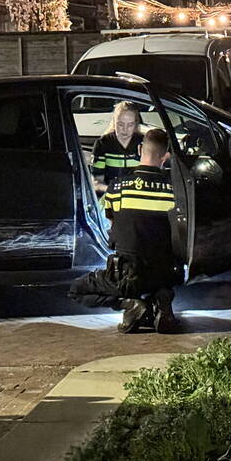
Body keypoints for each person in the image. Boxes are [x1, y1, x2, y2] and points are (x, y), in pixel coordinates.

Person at [69, 127, 181, 333]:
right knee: (161, 278)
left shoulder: (118, 187)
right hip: (163, 273)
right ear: (165, 156)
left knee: (76, 290)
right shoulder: (174, 191)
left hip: (127, 275)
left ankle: (130, 304)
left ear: (140, 149)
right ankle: (162, 298)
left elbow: (113, 222)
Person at [90, 101, 143, 194]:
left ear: (136, 124)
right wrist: (114, 191)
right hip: (111, 197)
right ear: (114, 122)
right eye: (120, 124)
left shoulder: (144, 143)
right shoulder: (103, 144)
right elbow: (97, 183)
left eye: (130, 125)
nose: (125, 129)